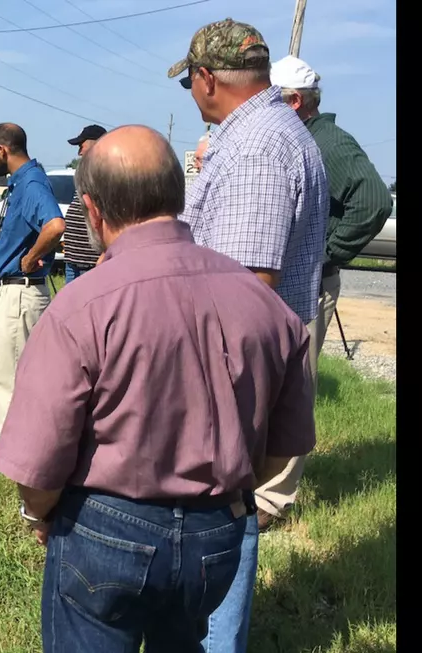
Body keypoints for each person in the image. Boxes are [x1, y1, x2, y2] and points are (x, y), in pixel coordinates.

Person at [0, 125, 317, 652]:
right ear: (177, 194)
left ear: (93, 211)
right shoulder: (265, 306)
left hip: (105, 526)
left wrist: (39, 515)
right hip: (218, 535)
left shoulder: (81, 306)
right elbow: (283, 448)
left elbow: (37, 465)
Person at [168, 18, 329, 653]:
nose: (190, 92)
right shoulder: (267, 131)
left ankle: (212, 641)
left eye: (188, 81)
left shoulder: (258, 145)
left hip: (231, 364)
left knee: (224, 510)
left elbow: (245, 285)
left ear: (206, 78)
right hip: (244, 358)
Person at [271, 54, 394, 375]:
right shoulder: (305, 139)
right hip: (294, 284)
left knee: (296, 386)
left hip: (312, 285)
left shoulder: (329, 142)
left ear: (295, 101)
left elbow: (374, 201)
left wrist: (326, 254)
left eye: (274, 100)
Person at [0, 123, 65, 449]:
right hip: (18, 291)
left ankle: (12, 448)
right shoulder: (25, 181)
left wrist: (31, 258)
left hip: (20, 292)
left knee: (8, 376)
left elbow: (55, 225)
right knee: (18, 372)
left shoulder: (30, 183)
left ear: (3, 150)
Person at [62, 125, 106, 283]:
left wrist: (105, 253)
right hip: (74, 260)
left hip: (91, 263)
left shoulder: (106, 175)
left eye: (82, 146)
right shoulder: (86, 175)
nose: (79, 152)